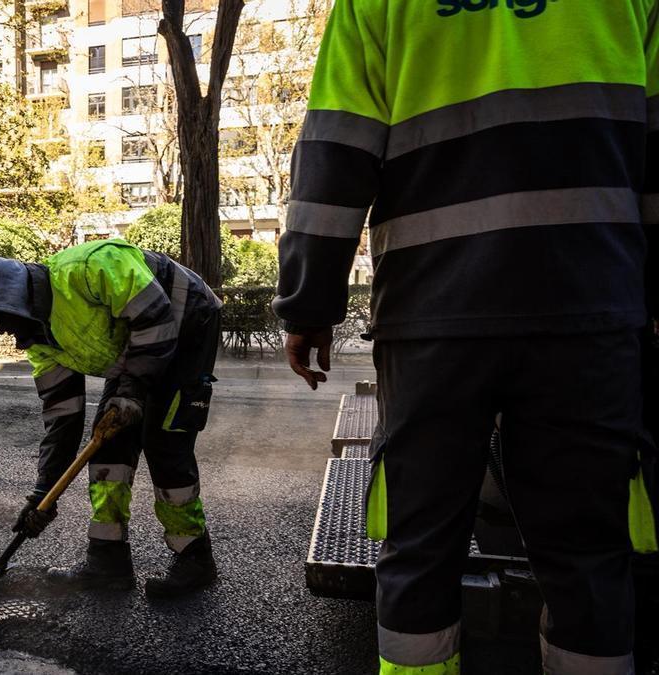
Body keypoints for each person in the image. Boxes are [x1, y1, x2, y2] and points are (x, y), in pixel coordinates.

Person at [274, 2, 658, 673]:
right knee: (587, 559)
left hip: (434, 317)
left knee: (420, 551)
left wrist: (310, 304)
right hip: (588, 305)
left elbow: (336, 147)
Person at [0, 239, 222, 597]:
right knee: (108, 448)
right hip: (134, 350)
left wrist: (130, 390)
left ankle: (195, 556)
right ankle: (107, 562)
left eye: (0, 319)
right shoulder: (40, 342)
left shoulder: (90, 267)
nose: (3, 332)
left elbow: (154, 318)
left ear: (17, 299)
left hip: (186, 320)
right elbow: (62, 417)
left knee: (164, 444)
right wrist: (44, 493)